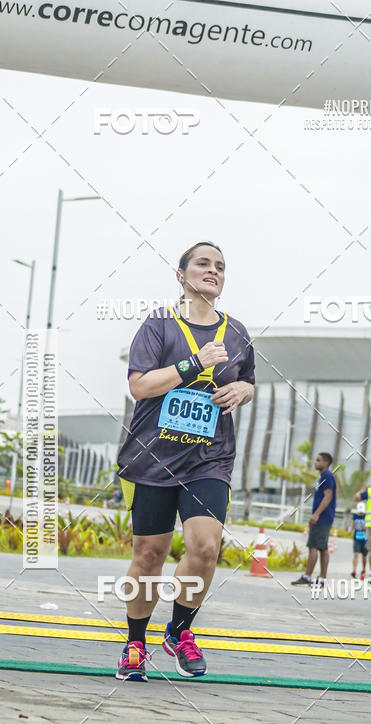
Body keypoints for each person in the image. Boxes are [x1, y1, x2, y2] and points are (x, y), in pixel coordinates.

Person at [115, 241, 255, 680]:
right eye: (203, 263)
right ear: (181, 274)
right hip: (154, 456)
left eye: (220, 266)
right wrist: (194, 363)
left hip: (209, 459)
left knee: (206, 547)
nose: (213, 271)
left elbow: (249, 381)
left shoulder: (237, 333)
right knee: (149, 553)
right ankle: (135, 644)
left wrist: (244, 391)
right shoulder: (159, 325)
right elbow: (140, 387)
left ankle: (179, 632)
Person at [292, 452, 336, 586]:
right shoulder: (323, 477)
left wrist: (316, 514)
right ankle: (322, 578)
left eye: (318, 460)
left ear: (326, 463)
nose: (315, 462)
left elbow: (328, 496)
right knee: (322, 547)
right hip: (324, 517)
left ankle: (307, 576)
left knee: (313, 546)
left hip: (322, 517)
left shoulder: (327, 476)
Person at [351, 500, 367, 580]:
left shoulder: (367, 516)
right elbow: (353, 525)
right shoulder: (355, 516)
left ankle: (363, 570)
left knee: (364, 556)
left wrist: (365, 528)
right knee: (356, 554)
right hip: (356, 538)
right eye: (359, 512)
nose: (361, 513)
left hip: (365, 539)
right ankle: (354, 571)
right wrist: (351, 530)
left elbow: (369, 527)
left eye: (362, 512)